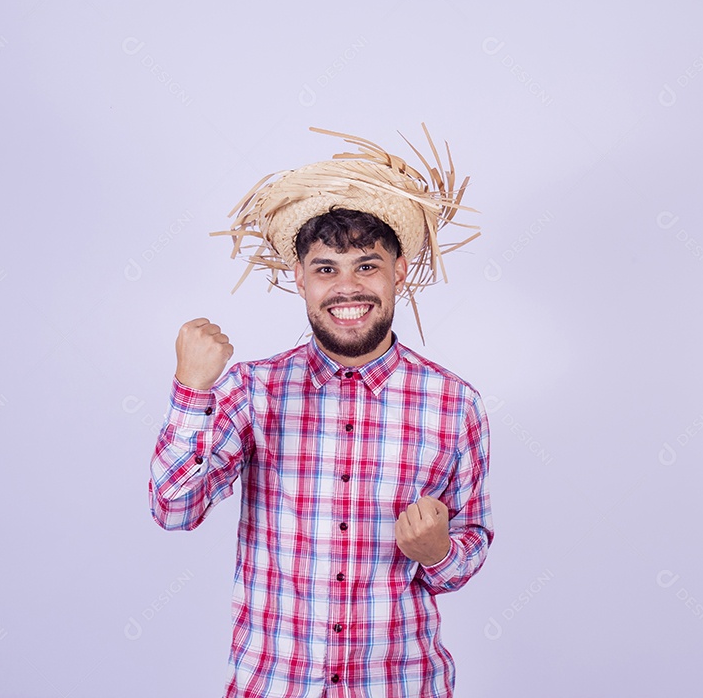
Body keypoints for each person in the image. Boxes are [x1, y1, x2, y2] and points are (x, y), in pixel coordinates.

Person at [148, 126, 493, 698]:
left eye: (367, 265)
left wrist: (439, 554)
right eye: (326, 268)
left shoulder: (455, 404)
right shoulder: (254, 390)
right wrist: (190, 390)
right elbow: (174, 510)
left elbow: (469, 546)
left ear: (400, 270)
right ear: (301, 279)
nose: (347, 287)